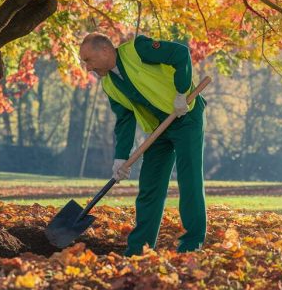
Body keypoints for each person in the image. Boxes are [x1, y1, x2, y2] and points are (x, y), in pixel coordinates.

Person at [78, 32, 207, 256]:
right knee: (150, 186)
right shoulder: (109, 85)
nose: (87, 68)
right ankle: (139, 248)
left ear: (106, 51)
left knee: (190, 179)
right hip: (159, 128)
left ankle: (191, 245)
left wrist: (181, 91)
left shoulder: (138, 50)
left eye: (88, 60)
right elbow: (125, 119)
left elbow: (181, 54)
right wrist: (120, 158)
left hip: (186, 116)